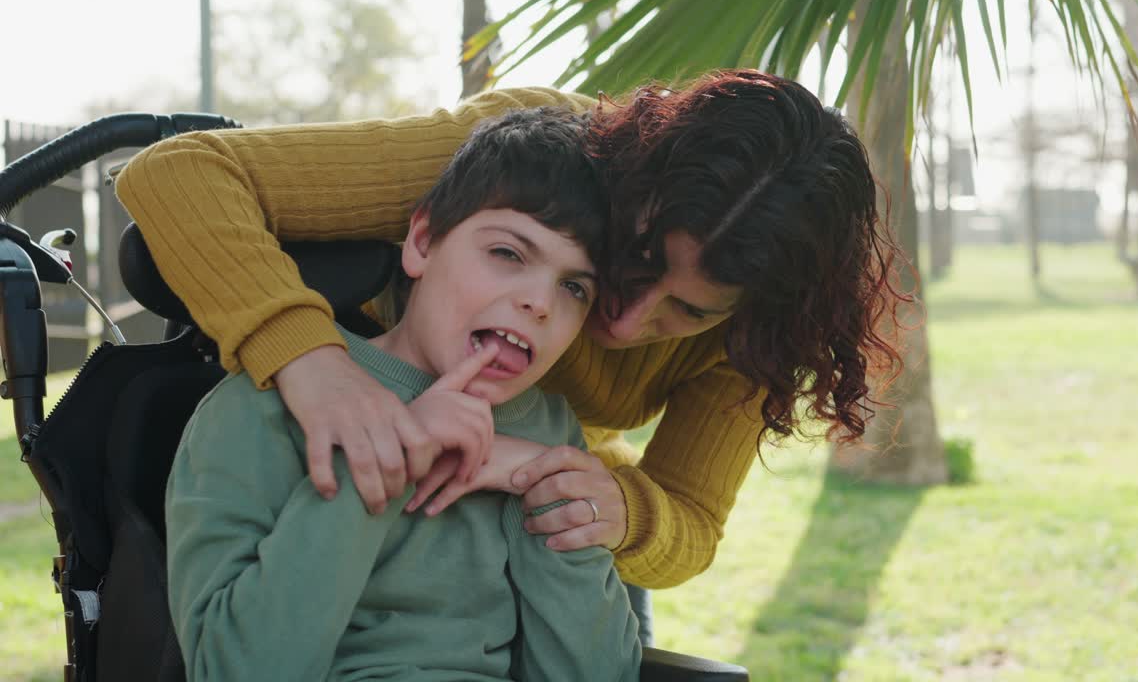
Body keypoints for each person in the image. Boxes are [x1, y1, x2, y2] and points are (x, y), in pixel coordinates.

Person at [120, 69, 904, 636]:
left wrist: (609, 502)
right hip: (344, 475)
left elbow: (690, 523)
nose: (627, 321)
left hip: (531, 529)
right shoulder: (534, 157)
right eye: (636, 262)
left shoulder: (756, 334)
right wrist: (314, 364)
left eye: (688, 312)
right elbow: (181, 173)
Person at [164, 108, 642, 682]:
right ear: (422, 241)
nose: (540, 303)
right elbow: (234, 670)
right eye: (508, 254)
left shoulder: (546, 431)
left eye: (574, 287)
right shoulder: (262, 407)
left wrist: (544, 488)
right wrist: (393, 450)